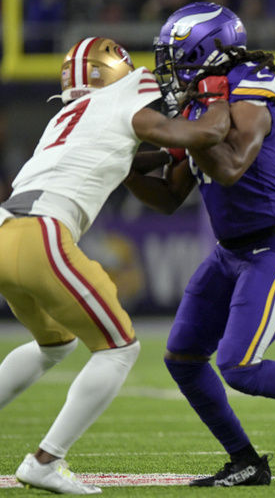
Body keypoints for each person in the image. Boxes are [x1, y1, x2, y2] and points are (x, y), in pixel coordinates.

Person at [124, 2, 275, 486]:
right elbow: (170, 196)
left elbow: (232, 163)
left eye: (176, 56)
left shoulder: (252, 82)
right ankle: (246, 461)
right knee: (184, 359)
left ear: (207, 51)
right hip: (230, 250)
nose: (169, 69)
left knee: (238, 364)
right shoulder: (200, 104)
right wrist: (125, 169)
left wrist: (187, 131)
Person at [0, 37, 231, 494]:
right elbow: (195, 135)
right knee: (119, 348)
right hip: (43, 233)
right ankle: (46, 460)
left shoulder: (67, 116)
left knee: (56, 344)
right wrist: (218, 107)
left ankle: (46, 458)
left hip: (6, 229)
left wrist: (168, 154)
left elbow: (121, 154)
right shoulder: (127, 95)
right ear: (114, 72)